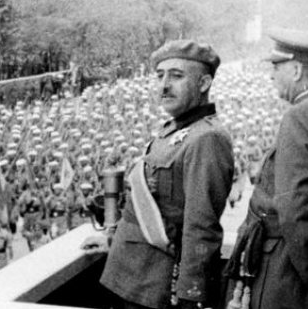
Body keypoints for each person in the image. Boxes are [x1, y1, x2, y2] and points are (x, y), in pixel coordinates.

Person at [84, 40, 234, 309]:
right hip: (129, 278)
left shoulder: (206, 138)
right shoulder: (171, 131)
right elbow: (155, 207)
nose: (164, 85)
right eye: (160, 76)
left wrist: (190, 295)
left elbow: (201, 228)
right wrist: (112, 237)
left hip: (156, 290)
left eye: (176, 76)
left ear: (203, 84)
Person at [225, 28, 308, 309]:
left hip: (287, 274)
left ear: (297, 70)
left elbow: (296, 209)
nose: (271, 75)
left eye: (277, 67)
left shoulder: (300, 116)